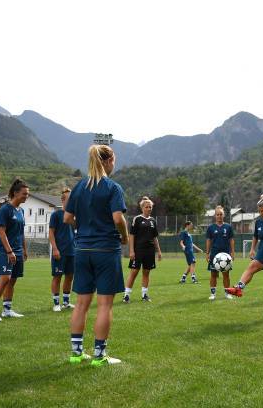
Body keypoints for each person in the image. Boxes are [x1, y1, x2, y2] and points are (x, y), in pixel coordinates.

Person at [65, 144, 128, 366]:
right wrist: (125, 237)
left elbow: (67, 218)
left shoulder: (79, 187)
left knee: (81, 304)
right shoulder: (112, 187)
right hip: (106, 250)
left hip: (81, 250)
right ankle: (99, 356)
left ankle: (76, 353)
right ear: (109, 161)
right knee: (104, 305)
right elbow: (118, 219)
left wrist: (82, 228)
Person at [0, 179, 29, 322]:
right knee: (5, 278)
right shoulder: (5, 209)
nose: (26, 196)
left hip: (18, 250)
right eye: (24, 194)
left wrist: (24, 249)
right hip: (5, 250)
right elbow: (2, 232)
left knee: (12, 281)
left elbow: (21, 232)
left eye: (27, 194)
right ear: (15, 193)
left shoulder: (21, 211)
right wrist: (9, 251)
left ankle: (7, 310)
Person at [123, 197, 162, 303]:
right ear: (142, 208)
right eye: (147, 207)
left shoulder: (153, 221)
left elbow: (155, 237)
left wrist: (159, 251)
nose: (149, 208)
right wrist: (131, 250)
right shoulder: (137, 219)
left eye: (150, 207)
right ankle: (126, 295)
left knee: (146, 272)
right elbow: (132, 235)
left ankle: (144, 294)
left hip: (150, 250)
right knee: (134, 271)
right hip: (138, 249)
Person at [49, 188, 76, 312]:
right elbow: (51, 233)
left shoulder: (75, 216)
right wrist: (55, 249)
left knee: (70, 276)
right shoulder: (56, 215)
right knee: (57, 276)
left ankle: (66, 302)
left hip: (73, 251)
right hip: (59, 251)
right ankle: (56, 303)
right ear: (63, 200)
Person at [205, 206, 236, 300]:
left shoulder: (228, 227)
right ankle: (213, 294)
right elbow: (208, 241)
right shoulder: (210, 228)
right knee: (213, 274)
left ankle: (227, 293)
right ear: (215, 215)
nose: (219, 216)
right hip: (214, 255)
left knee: (226, 275)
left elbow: (231, 240)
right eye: (217, 214)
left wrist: (232, 252)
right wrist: (207, 253)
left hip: (226, 255)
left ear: (224, 215)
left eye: (221, 214)